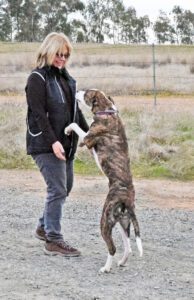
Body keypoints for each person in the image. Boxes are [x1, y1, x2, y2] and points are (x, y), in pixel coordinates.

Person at [25, 32, 89, 257]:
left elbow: (75, 112)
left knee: (65, 187)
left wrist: (91, 137)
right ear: (48, 51)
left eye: (66, 55)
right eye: (58, 54)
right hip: (45, 144)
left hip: (66, 143)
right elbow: (39, 114)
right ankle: (53, 239)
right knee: (58, 188)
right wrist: (52, 142)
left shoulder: (66, 79)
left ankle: (44, 226)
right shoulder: (37, 78)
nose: (62, 59)